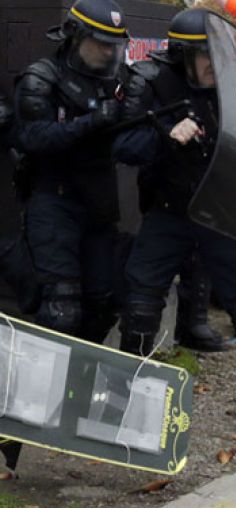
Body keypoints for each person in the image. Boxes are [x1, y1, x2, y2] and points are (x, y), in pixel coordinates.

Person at [113, 9, 236, 442]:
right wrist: (165, 136)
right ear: (183, 55)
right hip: (168, 209)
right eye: (205, 56)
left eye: (218, 55)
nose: (213, 65)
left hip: (220, 211)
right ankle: (127, 412)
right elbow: (123, 145)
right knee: (140, 306)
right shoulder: (151, 80)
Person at [14, 0, 128, 343]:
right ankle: (44, 392)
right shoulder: (42, 78)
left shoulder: (118, 81)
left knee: (105, 303)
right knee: (60, 310)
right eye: (102, 43)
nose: (109, 53)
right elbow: (33, 138)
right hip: (55, 201)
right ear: (76, 37)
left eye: (114, 45)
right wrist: (90, 123)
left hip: (99, 204)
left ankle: (81, 384)